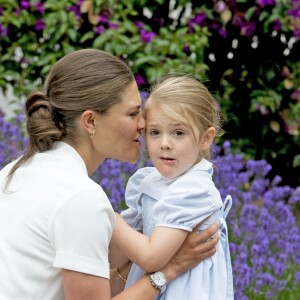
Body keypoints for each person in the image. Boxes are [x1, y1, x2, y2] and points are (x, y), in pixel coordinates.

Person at [0, 49, 219, 300]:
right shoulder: (81, 199)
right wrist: (169, 271)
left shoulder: (15, 171)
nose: (143, 124)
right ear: (90, 122)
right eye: (132, 113)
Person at [112, 75, 234, 299]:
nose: (164, 143)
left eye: (178, 133)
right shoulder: (147, 182)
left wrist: (108, 217)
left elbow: (150, 257)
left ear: (205, 139)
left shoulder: (195, 190)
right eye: (155, 132)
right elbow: (117, 257)